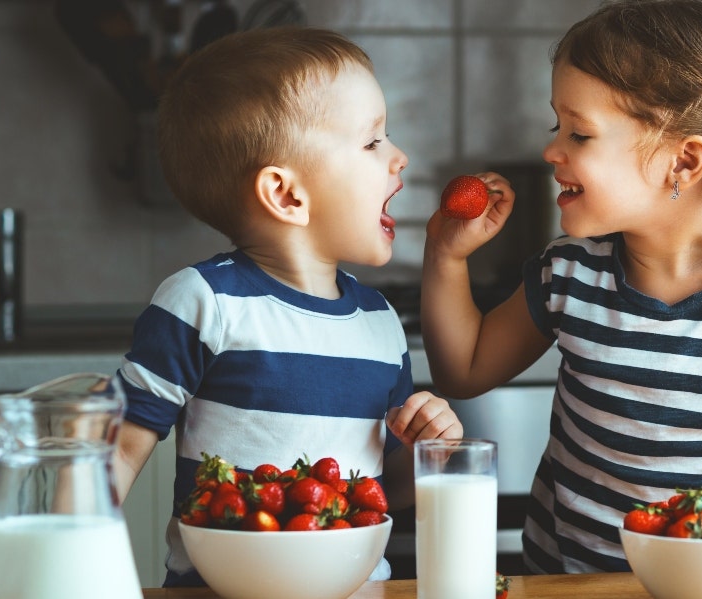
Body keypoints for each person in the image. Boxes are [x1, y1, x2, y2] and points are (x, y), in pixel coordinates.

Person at [420, 0, 702, 574]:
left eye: (580, 133)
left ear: (684, 162)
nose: (552, 150)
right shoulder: (568, 273)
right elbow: (462, 370)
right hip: (565, 583)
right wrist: (446, 257)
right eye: (557, 126)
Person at [111, 27, 463, 586]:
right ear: (287, 195)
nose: (400, 158)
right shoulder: (204, 304)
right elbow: (119, 451)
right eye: (372, 142)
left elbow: (379, 491)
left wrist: (429, 456)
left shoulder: (380, 324)